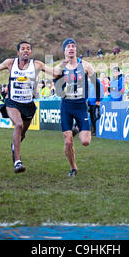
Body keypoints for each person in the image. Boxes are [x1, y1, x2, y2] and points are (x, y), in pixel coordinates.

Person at [0, 41, 59, 174]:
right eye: (23, 49)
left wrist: (65, 73)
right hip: (13, 102)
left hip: (28, 104)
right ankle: (17, 162)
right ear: (18, 52)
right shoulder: (10, 63)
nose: (25, 51)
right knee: (18, 125)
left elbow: (54, 72)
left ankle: (14, 147)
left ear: (31, 52)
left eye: (28, 49)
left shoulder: (36, 64)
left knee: (22, 134)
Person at [54, 38, 101, 177]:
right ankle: (73, 168)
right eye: (68, 46)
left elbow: (96, 83)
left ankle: (76, 128)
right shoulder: (59, 67)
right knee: (68, 142)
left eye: (73, 46)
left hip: (81, 105)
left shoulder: (86, 66)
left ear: (76, 49)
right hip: (66, 106)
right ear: (64, 50)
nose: (71, 48)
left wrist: (97, 103)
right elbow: (56, 87)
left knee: (86, 141)